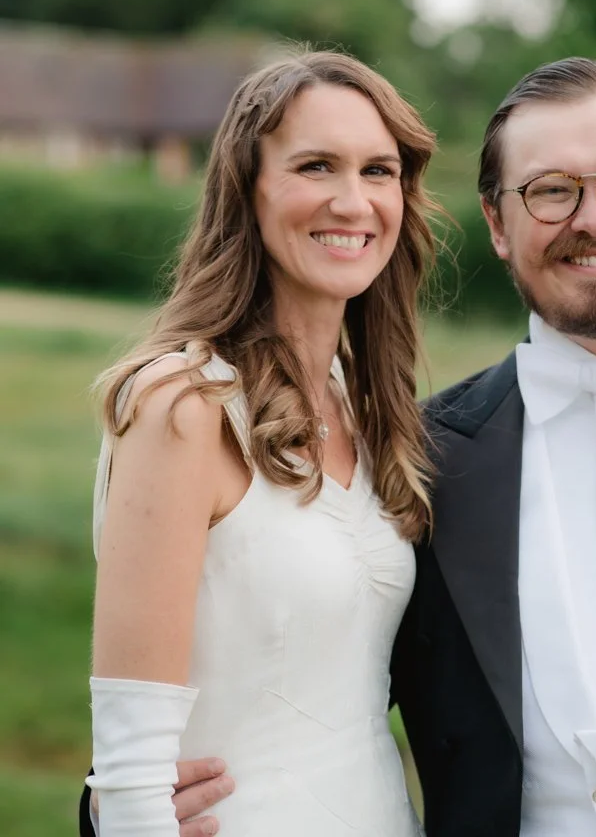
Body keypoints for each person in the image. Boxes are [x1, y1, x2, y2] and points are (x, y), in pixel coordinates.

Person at [87, 56, 596, 837]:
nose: (594, 219)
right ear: (497, 223)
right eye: (552, 190)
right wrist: (125, 803)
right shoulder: (428, 455)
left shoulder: (376, 437)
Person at [80, 48, 438, 837]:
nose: (354, 201)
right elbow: (132, 769)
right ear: (249, 190)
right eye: (317, 166)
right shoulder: (185, 405)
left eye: (379, 172)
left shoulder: (370, 408)